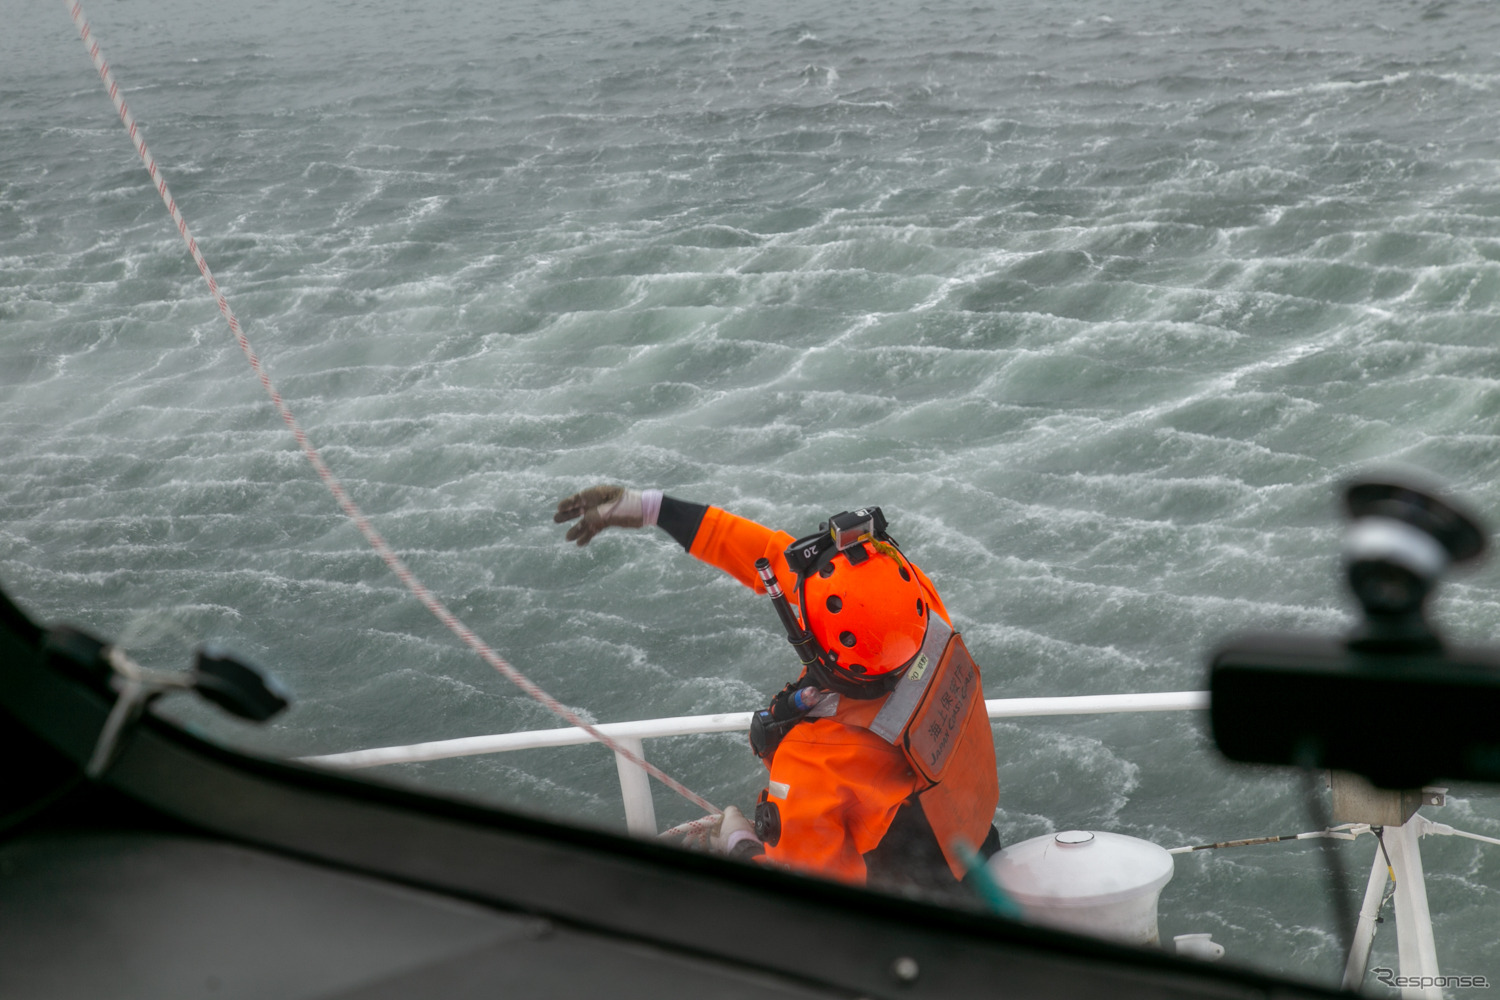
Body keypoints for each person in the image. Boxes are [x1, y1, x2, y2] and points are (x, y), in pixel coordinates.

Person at [554, 485, 1001, 896]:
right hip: (975, 844)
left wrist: (741, 844)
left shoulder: (814, 759)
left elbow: (810, 902)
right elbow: (768, 556)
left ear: (820, 646)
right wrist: (657, 509)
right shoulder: (920, 613)